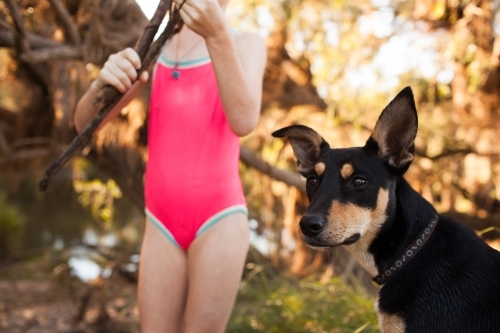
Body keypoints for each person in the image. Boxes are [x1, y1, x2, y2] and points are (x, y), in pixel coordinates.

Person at [74, 0, 267, 331]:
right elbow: (84, 124)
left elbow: (244, 120)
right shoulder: (154, 48)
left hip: (219, 221)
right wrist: (101, 83)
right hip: (160, 225)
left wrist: (217, 33)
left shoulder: (245, 43)